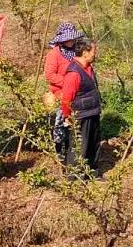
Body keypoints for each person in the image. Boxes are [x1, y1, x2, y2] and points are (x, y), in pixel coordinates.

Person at [59, 39, 102, 177]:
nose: (95, 54)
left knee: (93, 144)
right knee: (79, 147)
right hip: (81, 115)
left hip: (93, 112)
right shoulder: (74, 73)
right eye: (93, 51)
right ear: (85, 53)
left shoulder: (88, 68)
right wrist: (67, 116)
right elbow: (66, 99)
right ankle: (74, 177)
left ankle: (92, 173)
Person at [43, 22, 84, 162]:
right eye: (67, 38)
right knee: (61, 122)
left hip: (78, 93)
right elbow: (49, 74)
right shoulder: (54, 54)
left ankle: (74, 149)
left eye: (72, 38)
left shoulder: (77, 51)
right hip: (60, 93)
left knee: (75, 122)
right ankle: (60, 151)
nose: (70, 41)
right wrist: (67, 82)